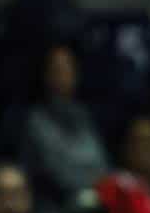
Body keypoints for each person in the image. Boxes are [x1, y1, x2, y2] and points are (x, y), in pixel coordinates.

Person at [15, 44, 109, 200]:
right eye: (57, 70)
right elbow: (60, 176)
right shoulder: (35, 121)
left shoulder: (84, 115)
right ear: (45, 75)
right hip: (53, 211)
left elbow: (102, 164)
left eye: (69, 69)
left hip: (92, 205)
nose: (64, 76)